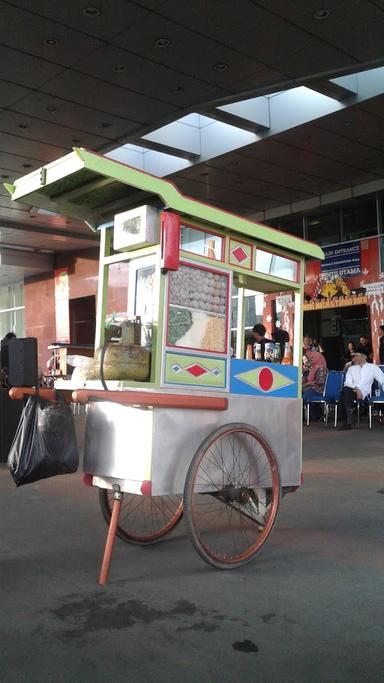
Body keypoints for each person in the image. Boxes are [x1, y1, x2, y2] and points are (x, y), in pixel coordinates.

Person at [338, 352, 384, 429]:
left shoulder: (373, 368)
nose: (354, 358)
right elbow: (347, 382)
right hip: (351, 390)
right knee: (345, 392)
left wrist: (359, 391)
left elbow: (382, 381)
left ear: (364, 357)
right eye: (353, 356)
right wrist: (357, 389)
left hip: (363, 394)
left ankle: (347, 421)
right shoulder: (351, 368)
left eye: (356, 356)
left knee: (343, 395)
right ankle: (349, 420)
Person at [302, 349, 328, 420]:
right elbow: (305, 380)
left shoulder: (321, 368)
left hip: (319, 389)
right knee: (301, 391)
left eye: (307, 359)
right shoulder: (310, 367)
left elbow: (320, 382)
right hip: (312, 387)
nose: (305, 361)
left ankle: (316, 415)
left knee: (304, 395)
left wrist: (308, 383)